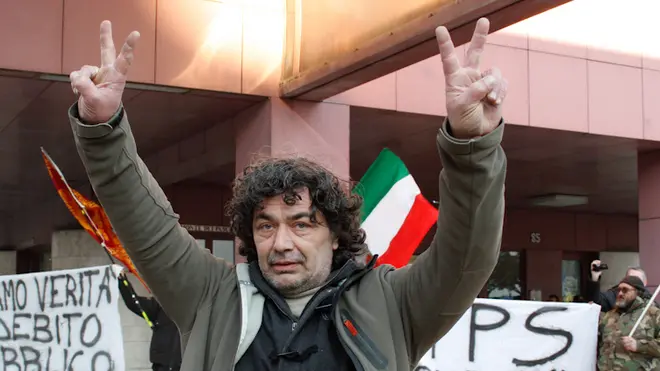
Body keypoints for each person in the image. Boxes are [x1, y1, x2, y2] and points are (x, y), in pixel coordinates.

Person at [67, 17, 508, 370]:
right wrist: (102, 131)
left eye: (302, 224)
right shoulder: (213, 297)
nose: (281, 243)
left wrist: (472, 146)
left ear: (335, 234)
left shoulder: (393, 302)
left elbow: (467, 254)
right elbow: (148, 228)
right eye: (265, 225)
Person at [117, 272, 181, 371]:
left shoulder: (200, 309)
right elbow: (134, 303)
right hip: (162, 365)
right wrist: (122, 281)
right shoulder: (162, 305)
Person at [598, 275, 660, 370]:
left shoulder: (653, 314)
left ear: (637, 292)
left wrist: (639, 345)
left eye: (625, 290)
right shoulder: (609, 316)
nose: (620, 293)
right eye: (618, 290)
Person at [588, 260, 655, 312]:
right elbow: (596, 301)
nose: (632, 282)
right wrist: (595, 278)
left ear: (645, 283)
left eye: (636, 280)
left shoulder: (650, 303)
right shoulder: (616, 295)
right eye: (629, 278)